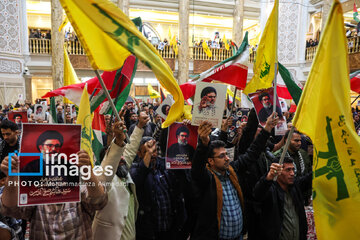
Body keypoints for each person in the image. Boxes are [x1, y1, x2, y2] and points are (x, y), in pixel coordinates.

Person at [190, 113, 278, 240]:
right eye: (221, 156)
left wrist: (267, 128)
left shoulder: (233, 170)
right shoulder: (207, 179)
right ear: (210, 161)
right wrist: (203, 144)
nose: (227, 158)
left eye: (226, 154)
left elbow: (252, 152)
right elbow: (196, 169)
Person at [0, 149, 107, 239]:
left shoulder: (79, 190)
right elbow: (9, 209)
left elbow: (99, 201)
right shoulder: (35, 194)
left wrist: (87, 171)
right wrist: (12, 176)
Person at [93, 115, 147, 240]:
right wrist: (117, 141)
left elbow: (131, 149)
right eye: (118, 156)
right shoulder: (103, 176)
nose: (122, 158)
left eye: (122, 156)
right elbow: (108, 167)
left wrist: (139, 126)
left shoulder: (123, 170)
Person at [130, 137, 186, 240]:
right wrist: (149, 153)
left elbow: (186, 166)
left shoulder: (166, 164)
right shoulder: (134, 169)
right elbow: (139, 177)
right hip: (150, 231)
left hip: (172, 229)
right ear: (139, 154)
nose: (153, 154)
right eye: (146, 152)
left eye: (154, 151)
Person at [253, 158, 312, 240]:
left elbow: (308, 179)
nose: (292, 173)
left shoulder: (295, 187)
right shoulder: (270, 191)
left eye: (293, 169)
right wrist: (268, 177)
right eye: (288, 170)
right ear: (278, 171)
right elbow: (258, 193)